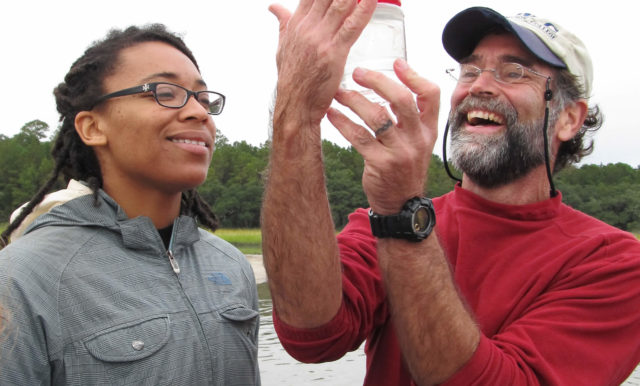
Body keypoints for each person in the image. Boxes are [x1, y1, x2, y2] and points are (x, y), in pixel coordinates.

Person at [261, 2, 640, 385]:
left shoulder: (616, 263)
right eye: (470, 70)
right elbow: (310, 335)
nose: (479, 85)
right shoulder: (377, 223)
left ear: (569, 118)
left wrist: (402, 215)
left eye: (513, 72)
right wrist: (297, 114)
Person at [0, 24, 260, 385]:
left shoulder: (230, 264)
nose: (199, 113)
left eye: (203, 99)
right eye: (164, 92)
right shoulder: (21, 276)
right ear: (92, 127)